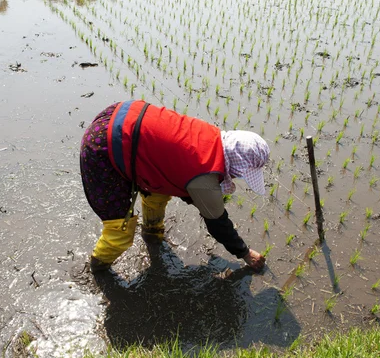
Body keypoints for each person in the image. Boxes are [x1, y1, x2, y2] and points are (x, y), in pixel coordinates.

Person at [80, 100, 268, 273]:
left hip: (121, 114)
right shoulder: (204, 175)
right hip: (104, 147)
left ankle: (152, 232)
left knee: (158, 192)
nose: (238, 177)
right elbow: (218, 223)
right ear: (238, 164)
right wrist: (245, 253)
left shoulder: (211, 137)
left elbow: (178, 171)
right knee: (120, 231)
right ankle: (98, 268)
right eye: (241, 173)